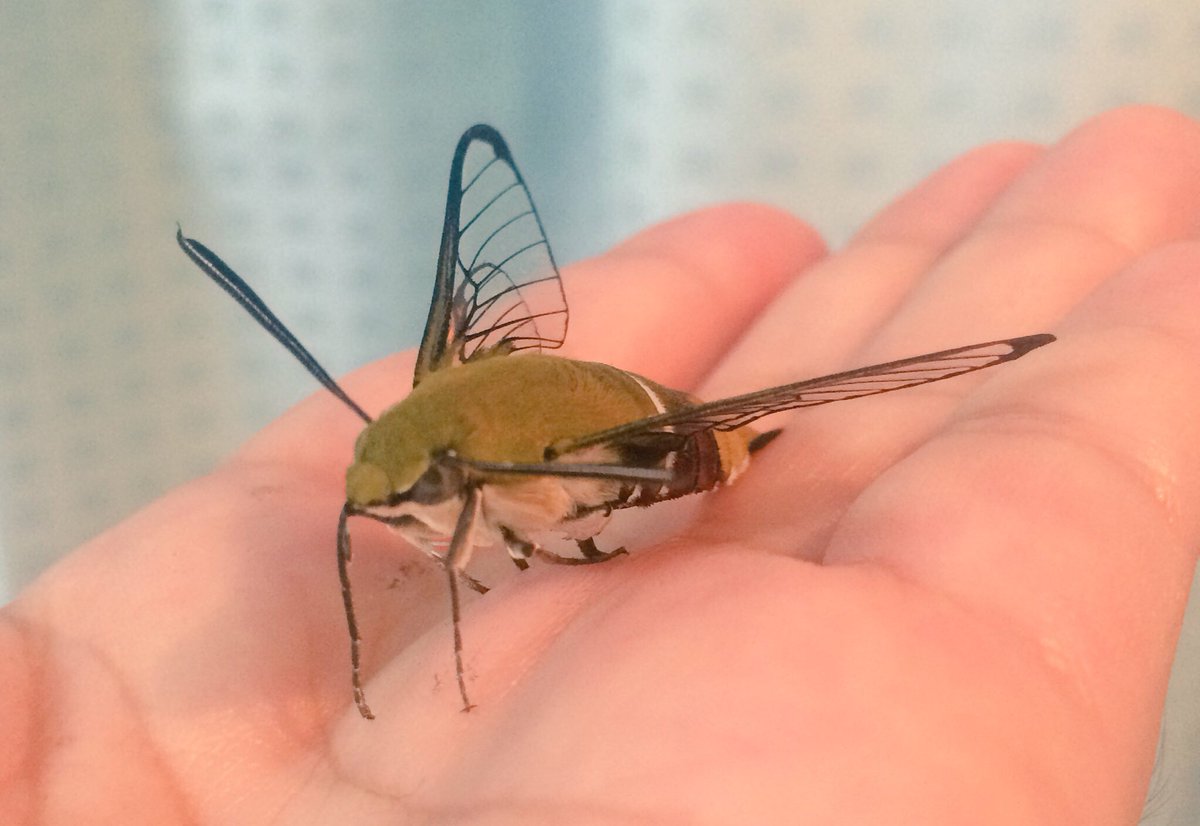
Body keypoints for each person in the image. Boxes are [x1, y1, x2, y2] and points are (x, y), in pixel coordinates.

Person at [4, 106, 1198, 823]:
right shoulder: (420, 457)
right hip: (552, 440)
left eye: (421, 499)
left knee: (717, 440)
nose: (389, 518)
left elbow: (512, 499)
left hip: (657, 437)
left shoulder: (502, 467)